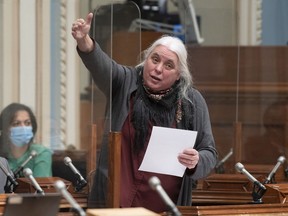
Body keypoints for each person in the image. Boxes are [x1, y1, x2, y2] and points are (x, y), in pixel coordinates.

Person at [72, 12, 217, 213]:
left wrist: (196, 160)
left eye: (168, 66)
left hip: (165, 207)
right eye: (154, 59)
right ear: (145, 59)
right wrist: (84, 41)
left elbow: (209, 153)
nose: (158, 69)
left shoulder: (192, 102)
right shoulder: (125, 82)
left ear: (178, 76)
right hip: (116, 204)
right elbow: (101, 67)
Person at [0, 103, 52, 178]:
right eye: (16, 123)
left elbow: (40, 186)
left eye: (27, 123)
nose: (23, 128)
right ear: (5, 129)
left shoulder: (40, 153)